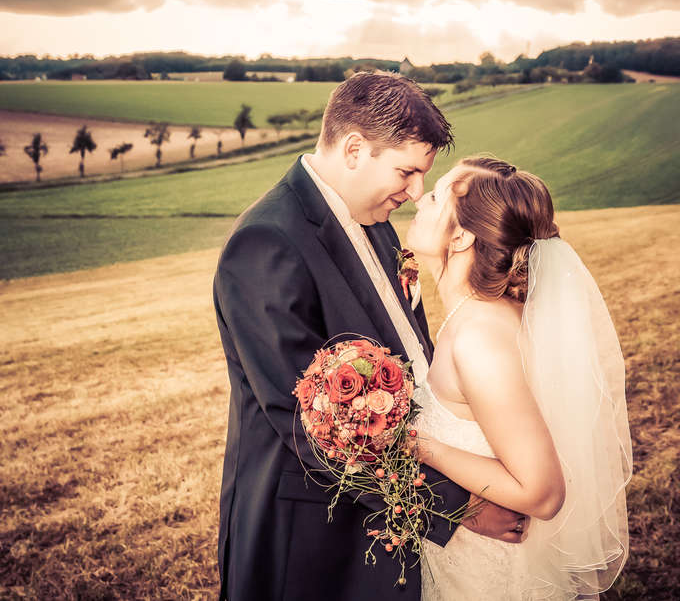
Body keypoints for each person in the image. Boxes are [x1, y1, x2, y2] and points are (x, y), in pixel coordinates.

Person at [213, 73, 526, 601]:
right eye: (406, 172)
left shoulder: (375, 216)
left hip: (392, 521)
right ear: (354, 149)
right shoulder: (266, 243)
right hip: (312, 535)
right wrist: (457, 505)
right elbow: (309, 424)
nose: (415, 193)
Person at [406, 156, 633, 600]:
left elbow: (543, 492)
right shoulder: (475, 319)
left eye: (434, 197)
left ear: (462, 235)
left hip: (488, 579)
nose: (419, 200)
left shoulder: (480, 340)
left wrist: (420, 447)